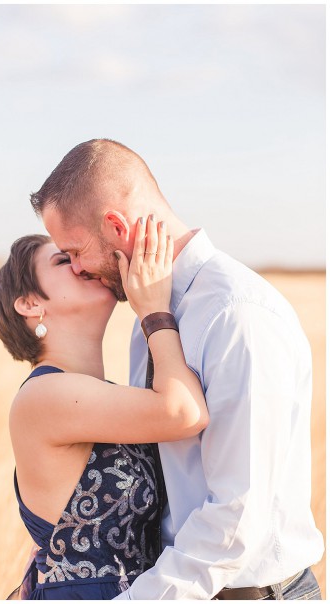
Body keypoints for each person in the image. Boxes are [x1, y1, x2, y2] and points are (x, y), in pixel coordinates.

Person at [30, 138, 324, 600]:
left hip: (252, 593)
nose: (79, 268)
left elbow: (236, 515)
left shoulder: (236, 313)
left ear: (114, 225)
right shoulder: (152, 315)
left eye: (75, 251)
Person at [0, 216, 209, 599]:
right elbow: (183, 412)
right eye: (62, 261)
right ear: (30, 303)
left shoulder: (99, 394)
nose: (79, 265)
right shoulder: (44, 397)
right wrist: (154, 309)